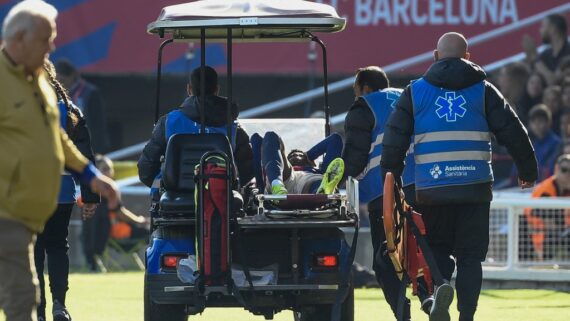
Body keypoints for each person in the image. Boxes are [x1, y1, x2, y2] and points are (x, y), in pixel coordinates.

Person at [381, 32, 538, 321]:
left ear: (435, 56)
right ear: (467, 57)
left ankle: (440, 290)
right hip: (475, 188)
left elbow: (394, 140)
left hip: (433, 189)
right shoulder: (484, 90)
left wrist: (392, 179)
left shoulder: (415, 93)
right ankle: (467, 316)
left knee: (437, 250)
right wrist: (527, 172)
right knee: (470, 258)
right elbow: (513, 131)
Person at [0, 2, 120, 321]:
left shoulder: (39, 82)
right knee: (20, 297)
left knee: (22, 298)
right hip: (7, 212)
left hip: (31, 212)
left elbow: (59, 140)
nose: (52, 47)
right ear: (20, 38)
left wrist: (91, 174)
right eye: (45, 39)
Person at [341, 66, 430, 321]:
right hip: (424, 190)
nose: (356, 97)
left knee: (385, 262)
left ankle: (404, 315)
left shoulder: (364, 107)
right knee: (421, 250)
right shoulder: (410, 98)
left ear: (366, 89)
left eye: (356, 91)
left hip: (385, 196)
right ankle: (428, 296)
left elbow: (354, 162)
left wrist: (329, 175)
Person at [33, 61, 100, 321]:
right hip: (63, 190)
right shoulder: (71, 110)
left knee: (36, 251)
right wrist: (91, 195)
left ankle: (38, 312)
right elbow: (85, 156)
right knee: (58, 246)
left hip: (31, 191)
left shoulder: (20, 108)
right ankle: (60, 305)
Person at [138, 66, 254, 191]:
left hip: (173, 203)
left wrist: (163, 186)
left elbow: (146, 169)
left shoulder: (168, 122)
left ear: (189, 89)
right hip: (220, 203)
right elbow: (247, 170)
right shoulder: (234, 128)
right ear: (217, 90)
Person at [82, 155, 148, 272]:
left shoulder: (90, 189)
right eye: (105, 169)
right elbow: (120, 213)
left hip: (96, 236)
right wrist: (140, 220)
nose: (109, 172)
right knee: (149, 231)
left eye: (110, 168)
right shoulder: (108, 189)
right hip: (112, 232)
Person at [251, 131, 344, 195]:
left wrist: (309, 156)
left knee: (321, 181)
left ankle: (322, 192)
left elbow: (334, 140)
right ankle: (277, 185)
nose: (295, 155)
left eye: (300, 154)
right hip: (285, 179)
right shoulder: (278, 167)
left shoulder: (318, 171)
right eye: (291, 155)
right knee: (270, 135)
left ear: (311, 163)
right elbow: (256, 139)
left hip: (310, 181)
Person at [54, 59, 110, 153]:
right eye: (57, 81)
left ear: (71, 76)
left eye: (62, 80)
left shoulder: (90, 93)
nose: (59, 84)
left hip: (89, 147)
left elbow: (98, 125)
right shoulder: (57, 95)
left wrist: (97, 151)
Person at [524, 154, 570, 261]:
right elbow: (544, 218)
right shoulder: (546, 190)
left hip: (557, 236)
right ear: (556, 169)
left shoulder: (566, 189)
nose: (568, 174)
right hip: (539, 239)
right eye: (564, 170)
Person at [510, 104, 560, 185]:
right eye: (534, 122)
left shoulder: (557, 144)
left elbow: (549, 170)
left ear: (549, 122)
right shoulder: (532, 143)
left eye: (540, 121)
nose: (537, 125)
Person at [523, 14, 570, 85]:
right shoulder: (545, 56)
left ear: (553, 28)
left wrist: (535, 59)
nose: (540, 30)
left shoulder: (568, 52)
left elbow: (553, 81)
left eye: (543, 26)